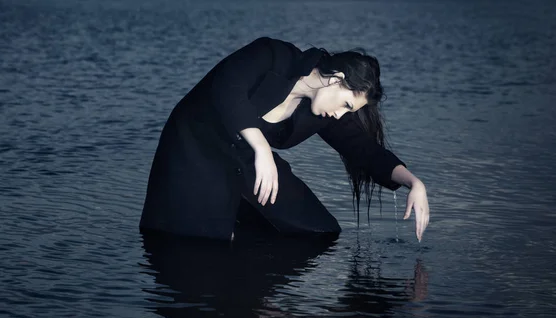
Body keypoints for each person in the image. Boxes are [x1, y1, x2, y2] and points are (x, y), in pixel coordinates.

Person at [139, 36, 429, 242]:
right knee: (201, 245)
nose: (342, 115)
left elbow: (362, 149)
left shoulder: (319, 112)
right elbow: (226, 90)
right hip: (197, 146)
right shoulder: (273, 56)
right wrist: (262, 146)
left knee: (319, 230)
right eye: (346, 105)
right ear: (336, 78)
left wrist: (413, 182)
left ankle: (258, 299)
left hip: (245, 156)